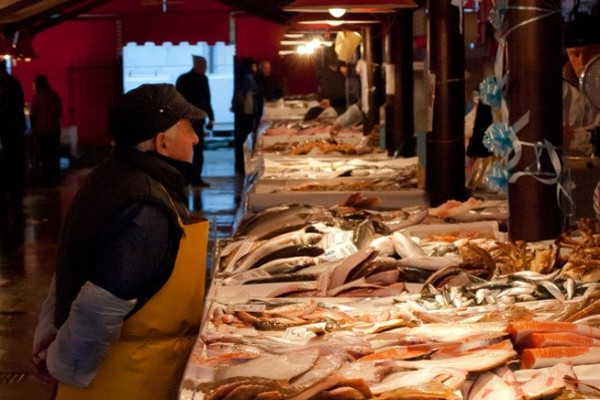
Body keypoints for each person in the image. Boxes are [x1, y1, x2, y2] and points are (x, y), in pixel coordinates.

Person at [31, 83, 209, 400]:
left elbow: (68, 269)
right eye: (189, 128)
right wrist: (62, 364)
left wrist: (48, 338)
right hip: (124, 382)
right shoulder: (145, 208)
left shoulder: (111, 177)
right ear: (162, 142)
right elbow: (98, 306)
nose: (195, 138)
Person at [562, 11, 600, 155]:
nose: (582, 62)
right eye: (575, 54)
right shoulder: (555, 89)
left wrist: (572, 138)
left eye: (589, 52)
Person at [176, 55, 215, 187]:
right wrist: (211, 118)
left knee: (183, 151)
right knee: (198, 151)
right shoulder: (203, 80)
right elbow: (207, 100)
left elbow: (178, 101)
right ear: (199, 66)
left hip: (184, 119)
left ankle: (184, 178)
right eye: (205, 66)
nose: (206, 68)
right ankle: (196, 178)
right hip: (198, 119)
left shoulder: (182, 79)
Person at [0, 59, 26, 221]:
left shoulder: (6, 86)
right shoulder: (14, 83)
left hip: (8, 129)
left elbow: (5, 108)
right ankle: (15, 191)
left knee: (8, 161)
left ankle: (9, 193)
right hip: (15, 128)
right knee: (15, 161)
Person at [30, 74, 63, 184]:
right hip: (54, 129)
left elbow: (33, 114)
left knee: (45, 155)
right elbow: (59, 111)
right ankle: (55, 176)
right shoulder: (54, 95)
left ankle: (47, 177)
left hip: (42, 131)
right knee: (54, 154)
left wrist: (33, 128)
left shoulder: (36, 97)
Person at [231, 57, 260, 175]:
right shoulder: (248, 78)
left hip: (242, 112)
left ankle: (240, 166)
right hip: (246, 113)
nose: (256, 68)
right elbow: (243, 95)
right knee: (244, 141)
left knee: (241, 140)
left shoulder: (242, 76)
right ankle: (242, 167)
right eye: (254, 65)